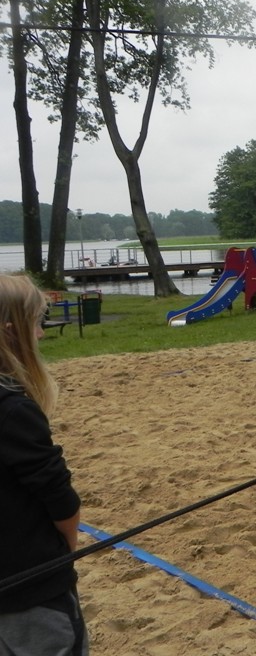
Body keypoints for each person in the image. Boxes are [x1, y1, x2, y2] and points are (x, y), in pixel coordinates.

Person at [0, 274, 88, 655]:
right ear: (10, 332)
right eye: (35, 324)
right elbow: (60, 499)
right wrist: (65, 547)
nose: (40, 335)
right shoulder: (13, 410)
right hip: (33, 591)